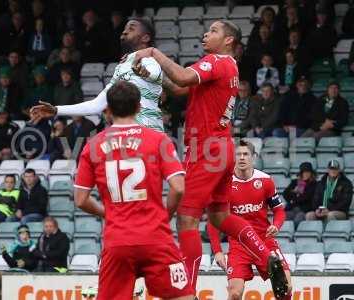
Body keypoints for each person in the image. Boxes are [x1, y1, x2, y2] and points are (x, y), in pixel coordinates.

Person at [132, 20, 288, 298]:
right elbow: (180, 88)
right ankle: (267, 258)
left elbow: (180, 77)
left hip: (206, 151)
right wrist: (151, 75)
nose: (206, 33)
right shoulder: (228, 68)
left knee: (187, 221)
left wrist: (154, 53)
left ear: (229, 40)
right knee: (219, 216)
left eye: (214, 31)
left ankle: (186, 292)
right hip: (223, 147)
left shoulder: (216, 60)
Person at [74, 81, 194, 299]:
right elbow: (178, 187)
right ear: (139, 107)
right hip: (156, 237)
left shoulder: (92, 146)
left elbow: (81, 200)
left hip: (117, 240)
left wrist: (106, 212)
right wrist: (165, 215)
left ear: (107, 110)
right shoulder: (159, 140)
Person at [31, 18, 165, 132]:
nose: (124, 31)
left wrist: (147, 74)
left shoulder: (151, 60)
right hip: (131, 137)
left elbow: (154, 74)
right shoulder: (122, 67)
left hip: (151, 133)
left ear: (145, 37)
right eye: (124, 28)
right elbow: (97, 104)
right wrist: (56, 110)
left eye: (131, 28)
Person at [207, 140, 292, 300]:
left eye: (246, 154)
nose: (242, 158)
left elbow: (279, 210)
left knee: (285, 289)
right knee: (234, 293)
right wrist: (217, 250)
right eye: (238, 154)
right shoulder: (224, 184)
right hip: (239, 244)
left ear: (253, 157)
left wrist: (276, 225)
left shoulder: (265, 181)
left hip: (264, 240)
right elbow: (214, 220)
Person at [283, 162, 317, 227]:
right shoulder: (295, 182)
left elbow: (306, 197)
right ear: (301, 173)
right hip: (292, 208)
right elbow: (285, 194)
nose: (306, 174)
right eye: (304, 172)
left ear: (311, 173)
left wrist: (293, 198)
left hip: (305, 209)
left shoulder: (314, 184)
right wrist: (294, 193)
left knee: (298, 219)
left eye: (308, 172)